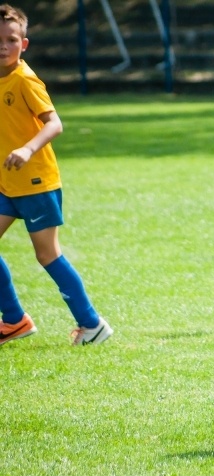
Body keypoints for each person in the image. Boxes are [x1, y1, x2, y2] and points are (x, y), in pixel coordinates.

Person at [0, 4, 112, 346]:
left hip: (36, 184)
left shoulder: (25, 79)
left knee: (47, 255)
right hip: (8, 184)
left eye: (11, 40)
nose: (3, 46)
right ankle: (15, 320)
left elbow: (55, 123)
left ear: (24, 44)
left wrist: (27, 149)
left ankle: (92, 325)